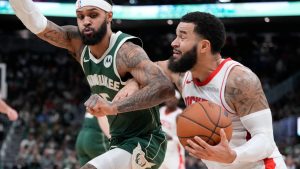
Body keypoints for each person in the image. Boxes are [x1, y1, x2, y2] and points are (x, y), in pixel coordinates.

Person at [9, 0, 175, 169]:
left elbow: (165, 88)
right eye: (80, 17)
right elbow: (39, 25)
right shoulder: (77, 43)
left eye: (93, 15)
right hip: (118, 141)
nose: (86, 21)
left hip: (146, 141)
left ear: (109, 16)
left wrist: (114, 107)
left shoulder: (126, 51)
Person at [118, 12, 287, 169]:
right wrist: (134, 83)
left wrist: (232, 155)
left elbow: (265, 140)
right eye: (176, 36)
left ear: (204, 46)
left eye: (182, 37)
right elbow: (152, 68)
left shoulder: (239, 80)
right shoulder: (180, 73)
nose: (173, 43)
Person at [158, 90, 185, 169]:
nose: (170, 100)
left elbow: (184, 137)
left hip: (173, 148)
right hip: (159, 147)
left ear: (177, 100)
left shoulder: (181, 114)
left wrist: (171, 137)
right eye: (168, 97)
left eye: (173, 98)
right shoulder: (161, 110)